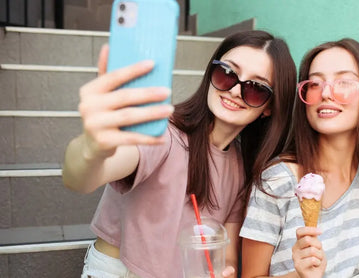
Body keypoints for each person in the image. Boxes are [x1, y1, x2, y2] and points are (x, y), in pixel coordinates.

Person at [62, 30, 296, 278]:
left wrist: (222, 271)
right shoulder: (163, 131)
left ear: (269, 107)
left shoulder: (241, 166)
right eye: (227, 73)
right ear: (211, 73)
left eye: (256, 88)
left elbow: (225, 254)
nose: (236, 91)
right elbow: (80, 178)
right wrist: (92, 148)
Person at [240, 38, 359, 278]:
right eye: (314, 83)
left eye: (343, 81)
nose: (325, 93)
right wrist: (300, 275)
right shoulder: (275, 182)